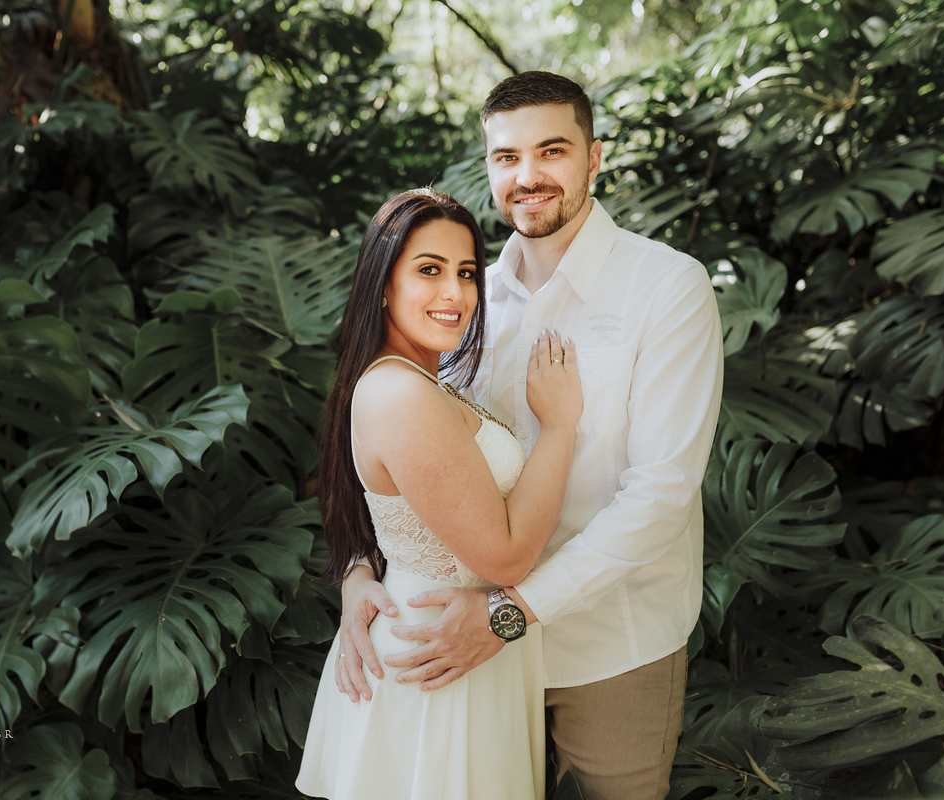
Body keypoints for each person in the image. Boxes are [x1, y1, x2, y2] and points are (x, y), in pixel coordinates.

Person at [335, 73, 725, 800]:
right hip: (462, 648)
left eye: (552, 151)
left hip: (610, 644)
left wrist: (511, 613)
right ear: (488, 168)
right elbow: (394, 450)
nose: (529, 176)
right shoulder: (461, 296)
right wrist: (358, 569)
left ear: (594, 158)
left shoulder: (667, 288)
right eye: (507, 157)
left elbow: (663, 493)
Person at [295, 187, 584, 800]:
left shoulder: (422, 380)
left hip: (454, 643)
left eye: (466, 273)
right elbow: (505, 558)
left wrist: (354, 572)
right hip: (438, 657)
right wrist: (559, 428)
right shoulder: (401, 394)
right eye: (429, 270)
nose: (454, 294)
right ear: (382, 283)